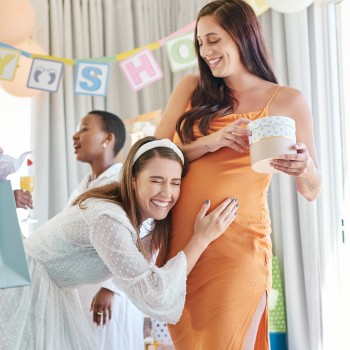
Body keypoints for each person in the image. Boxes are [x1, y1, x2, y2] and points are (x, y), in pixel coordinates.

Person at [155, 1, 322, 349]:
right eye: (200, 43)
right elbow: (150, 158)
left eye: (214, 40)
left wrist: (303, 167)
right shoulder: (189, 89)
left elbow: (312, 190)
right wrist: (209, 143)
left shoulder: (286, 100)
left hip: (239, 246)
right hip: (182, 251)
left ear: (242, 36)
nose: (206, 52)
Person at [0, 136, 239, 350]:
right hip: (25, 288)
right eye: (156, 180)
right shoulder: (108, 218)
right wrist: (201, 238)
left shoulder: (136, 219)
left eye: (175, 182)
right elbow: (153, 294)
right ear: (133, 180)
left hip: (48, 287)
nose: (167, 192)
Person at [70, 110, 144, 350]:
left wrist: (109, 287)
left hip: (111, 295)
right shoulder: (83, 187)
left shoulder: (124, 182)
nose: (75, 135)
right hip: (83, 290)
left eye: (84, 128)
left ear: (107, 138)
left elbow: (141, 235)